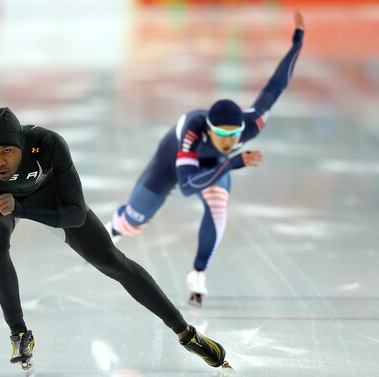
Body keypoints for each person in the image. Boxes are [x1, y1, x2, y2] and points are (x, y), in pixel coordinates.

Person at [0, 33, 230, 371]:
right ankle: (19, 332)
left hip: (49, 199)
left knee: (112, 262)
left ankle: (186, 333)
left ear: (22, 145)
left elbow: (74, 213)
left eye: (7, 152)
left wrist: (21, 208)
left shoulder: (48, 146)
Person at [105, 11, 305, 308]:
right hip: (172, 161)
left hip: (211, 168)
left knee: (218, 208)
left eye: (234, 135)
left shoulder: (252, 124)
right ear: (209, 130)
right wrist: (233, 162)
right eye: (222, 135)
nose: (229, 142)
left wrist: (297, 41)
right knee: (134, 224)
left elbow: (276, 86)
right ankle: (116, 225)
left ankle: (197, 271)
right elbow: (186, 186)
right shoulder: (191, 130)